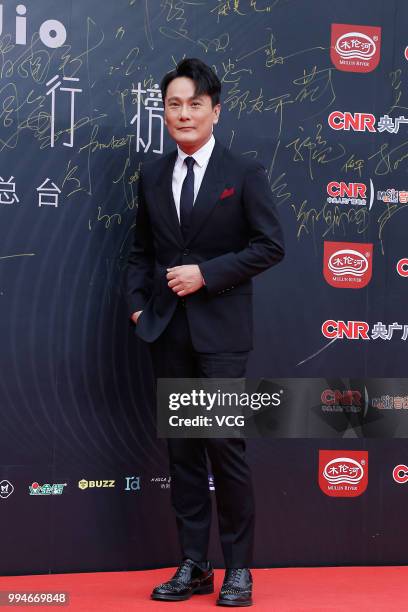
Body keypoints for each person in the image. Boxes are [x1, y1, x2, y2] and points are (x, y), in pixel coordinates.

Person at [126, 57, 284, 607]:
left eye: (195, 103)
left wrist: (207, 274)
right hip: (166, 332)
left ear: (216, 111)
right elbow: (140, 253)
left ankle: (239, 568)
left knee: (223, 447)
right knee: (183, 454)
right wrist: (138, 308)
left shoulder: (243, 174)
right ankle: (194, 564)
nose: (184, 113)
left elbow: (271, 245)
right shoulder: (150, 174)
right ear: (163, 113)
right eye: (174, 104)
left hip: (220, 336)